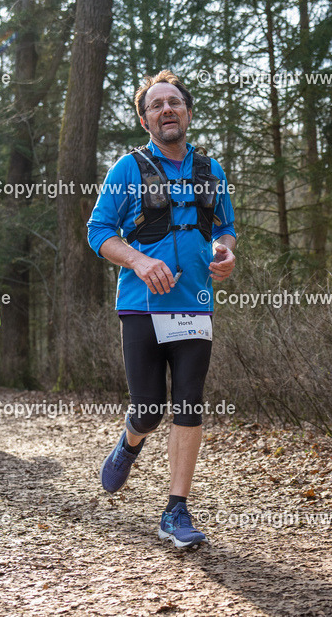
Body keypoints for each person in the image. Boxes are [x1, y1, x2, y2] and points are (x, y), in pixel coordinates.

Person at [87, 70, 237, 549]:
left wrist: (226, 251)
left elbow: (225, 228)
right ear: (146, 119)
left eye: (174, 102)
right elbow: (98, 232)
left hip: (194, 304)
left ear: (187, 112)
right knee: (149, 407)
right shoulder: (126, 169)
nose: (167, 109)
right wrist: (138, 258)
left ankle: (176, 510)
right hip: (140, 306)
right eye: (157, 105)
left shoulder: (211, 170)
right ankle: (132, 440)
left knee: (189, 401)